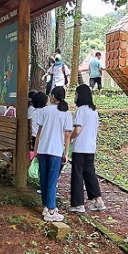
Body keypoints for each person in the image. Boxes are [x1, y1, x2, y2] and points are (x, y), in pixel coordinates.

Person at [34, 86, 72, 222]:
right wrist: (66, 153)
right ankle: (50, 211)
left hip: (43, 149)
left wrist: (35, 149)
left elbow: (39, 132)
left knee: (43, 178)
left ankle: (46, 206)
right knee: (52, 180)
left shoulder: (45, 110)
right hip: (56, 151)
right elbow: (67, 135)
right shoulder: (66, 113)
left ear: (53, 96)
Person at [68, 84, 105, 213]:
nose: (75, 97)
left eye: (76, 94)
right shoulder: (94, 111)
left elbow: (77, 129)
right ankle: (98, 200)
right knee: (90, 173)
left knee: (77, 175)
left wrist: (69, 138)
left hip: (80, 147)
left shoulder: (81, 110)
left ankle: (78, 204)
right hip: (90, 147)